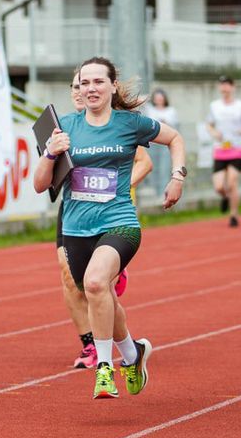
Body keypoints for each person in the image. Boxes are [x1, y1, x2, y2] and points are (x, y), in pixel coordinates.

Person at [36, 57, 186, 399]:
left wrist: (178, 177)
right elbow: (40, 185)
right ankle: (133, 354)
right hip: (76, 227)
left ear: (112, 86)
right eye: (84, 83)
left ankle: (105, 368)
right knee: (100, 293)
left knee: (94, 282)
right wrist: (49, 154)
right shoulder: (63, 128)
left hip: (120, 221)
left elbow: (175, 138)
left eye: (98, 82)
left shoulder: (130, 124)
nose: (90, 88)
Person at [54, 70, 153, 370]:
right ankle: (91, 343)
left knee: (98, 285)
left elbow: (145, 162)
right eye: (77, 86)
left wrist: (120, 185)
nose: (81, 90)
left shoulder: (119, 125)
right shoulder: (65, 129)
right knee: (70, 277)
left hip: (113, 211)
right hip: (74, 211)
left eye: (89, 83)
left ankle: (105, 354)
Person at [206, 75, 241, 227]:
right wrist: (214, 132)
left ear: (233, 87)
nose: (225, 87)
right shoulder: (214, 106)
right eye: (222, 84)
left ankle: (233, 215)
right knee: (219, 186)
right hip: (220, 150)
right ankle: (225, 197)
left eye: (228, 84)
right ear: (219, 87)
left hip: (237, 149)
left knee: (232, 182)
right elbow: (208, 125)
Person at [144, 88, 180, 195]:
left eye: (161, 98)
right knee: (153, 167)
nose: (159, 100)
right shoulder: (150, 109)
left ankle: (163, 191)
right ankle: (156, 190)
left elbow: (175, 127)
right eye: (157, 98)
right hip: (152, 144)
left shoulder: (171, 111)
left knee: (164, 167)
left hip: (165, 144)